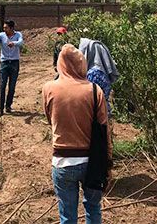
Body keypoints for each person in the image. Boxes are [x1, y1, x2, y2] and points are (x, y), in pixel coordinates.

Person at [42, 44, 112, 224]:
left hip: (63, 162)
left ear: (60, 64)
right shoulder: (95, 91)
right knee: (93, 209)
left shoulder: (49, 88)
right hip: (92, 163)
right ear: (82, 64)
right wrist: (108, 163)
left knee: (67, 216)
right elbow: (105, 132)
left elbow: (51, 120)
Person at [0, 20, 24, 116]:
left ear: (11, 28)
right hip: (4, 63)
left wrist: (14, 43)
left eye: (6, 27)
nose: (4, 29)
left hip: (14, 63)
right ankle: (0, 109)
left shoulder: (18, 35)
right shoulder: (1, 35)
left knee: (12, 86)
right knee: (2, 86)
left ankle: (8, 106)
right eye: (4, 27)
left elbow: (21, 42)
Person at [79, 38, 119, 116]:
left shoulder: (93, 74)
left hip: (96, 115)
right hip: (104, 110)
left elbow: (90, 98)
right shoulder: (102, 70)